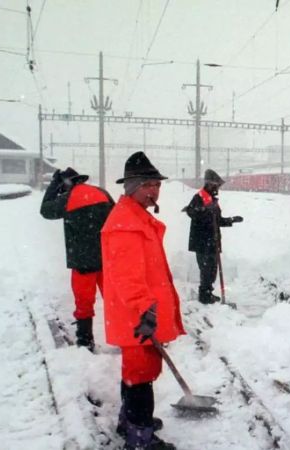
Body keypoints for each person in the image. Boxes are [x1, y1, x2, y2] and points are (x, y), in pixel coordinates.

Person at [101, 151, 184, 450]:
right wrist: (145, 311)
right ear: (131, 188)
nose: (154, 191)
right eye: (147, 185)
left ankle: (130, 421)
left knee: (138, 372)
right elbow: (127, 276)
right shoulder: (126, 223)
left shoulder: (135, 217)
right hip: (137, 316)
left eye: (157, 185)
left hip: (139, 313)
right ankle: (140, 437)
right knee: (141, 377)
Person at [40, 167, 114, 352]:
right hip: (107, 258)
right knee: (114, 299)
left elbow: (45, 210)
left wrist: (53, 186)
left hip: (83, 261)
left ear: (65, 185)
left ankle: (85, 340)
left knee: (84, 302)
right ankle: (127, 334)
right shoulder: (102, 193)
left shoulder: (68, 198)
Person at [182, 169, 243, 304]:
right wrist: (203, 210)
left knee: (212, 270)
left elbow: (218, 221)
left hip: (212, 241)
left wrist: (232, 220)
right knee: (206, 270)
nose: (218, 189)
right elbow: (192, 212)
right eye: (216, 186)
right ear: (209, 184)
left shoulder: (213, 200)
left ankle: (208, 292)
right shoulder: (199, 197)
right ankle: (204, 295)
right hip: (202, 242)